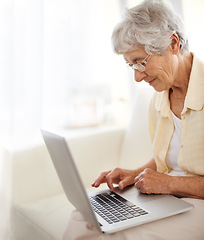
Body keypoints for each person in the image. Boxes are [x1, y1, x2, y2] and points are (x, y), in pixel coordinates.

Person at [63, 0, 204, 239]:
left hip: (196, 202)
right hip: (168, 198)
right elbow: (171, 159)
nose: (138, 77)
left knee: (120, 235)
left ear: (172, 43)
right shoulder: (159, 97)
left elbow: (172, 176)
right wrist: (135, 173)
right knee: (83, 218)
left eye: (141, 61)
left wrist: (169, 184)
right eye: (131, 65)